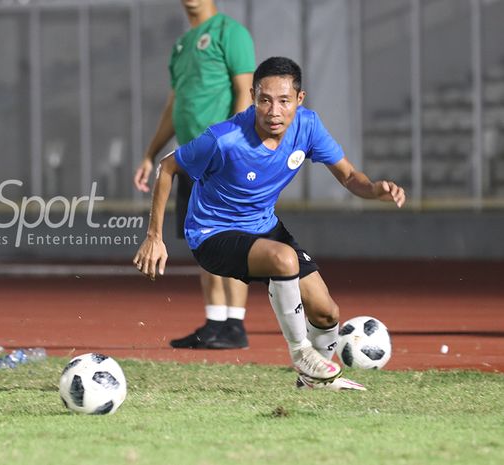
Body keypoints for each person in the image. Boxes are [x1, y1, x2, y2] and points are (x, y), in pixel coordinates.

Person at [133, 56, 406, 390]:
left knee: (327, 314)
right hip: (212, 233)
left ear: (299, 100)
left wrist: (375, 189)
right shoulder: (224, 138)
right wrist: (154, 236)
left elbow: (350, 177)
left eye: (284, 101)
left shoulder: (308, 127)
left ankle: (312, 385)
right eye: (264, 100)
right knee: (283, 258)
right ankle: (300, 352)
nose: (274, 111)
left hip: (262, 227)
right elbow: (167, 167)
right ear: (252, 97)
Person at [133, 0, 256, 350]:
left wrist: (232, 147)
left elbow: (243, 93)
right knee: (202, 240)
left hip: (220, 158)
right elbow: (175, 105)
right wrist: (149, 154)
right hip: (190, 159)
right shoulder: (182, 45)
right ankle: (216, 323)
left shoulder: (230, 33)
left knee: (230, 239)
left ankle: (236, 324)